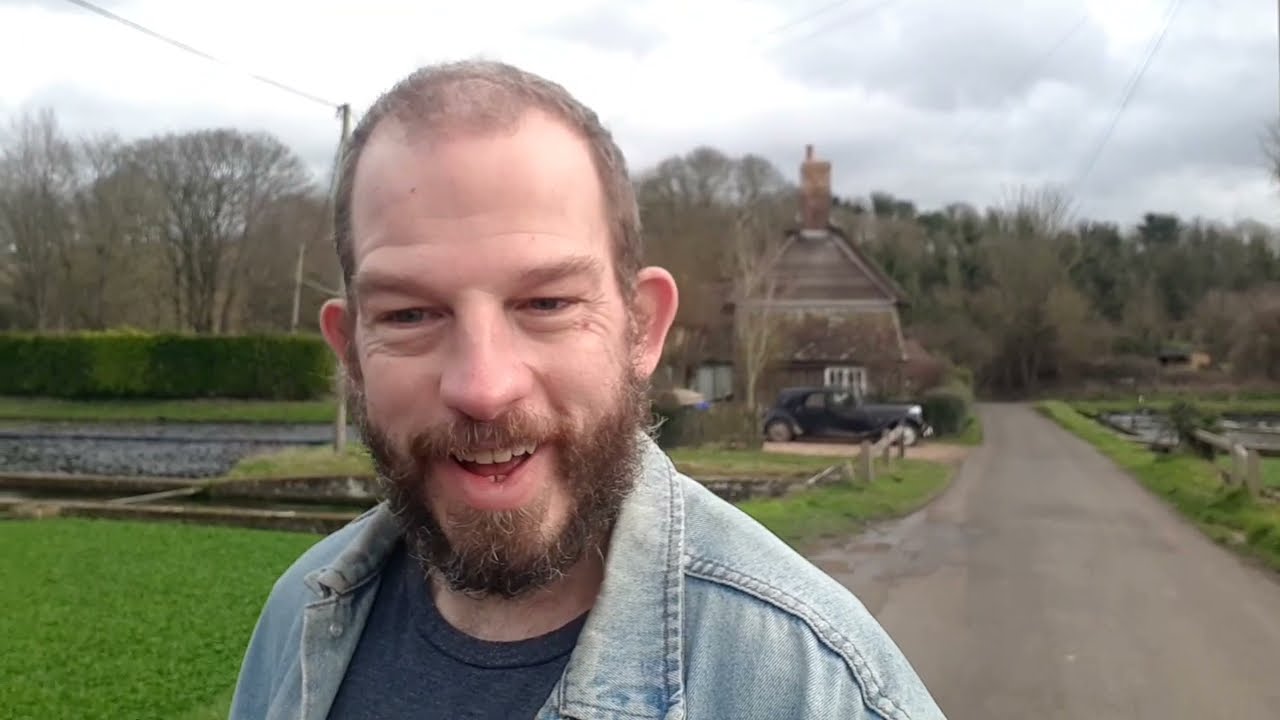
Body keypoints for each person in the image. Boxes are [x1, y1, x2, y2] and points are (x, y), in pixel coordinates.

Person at [229, 59, 945, 720]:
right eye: (410, 315)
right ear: (351, 351)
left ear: (641, 328)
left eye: (546, 305)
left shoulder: (818, 689)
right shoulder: (297, 618)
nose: (484, 388)